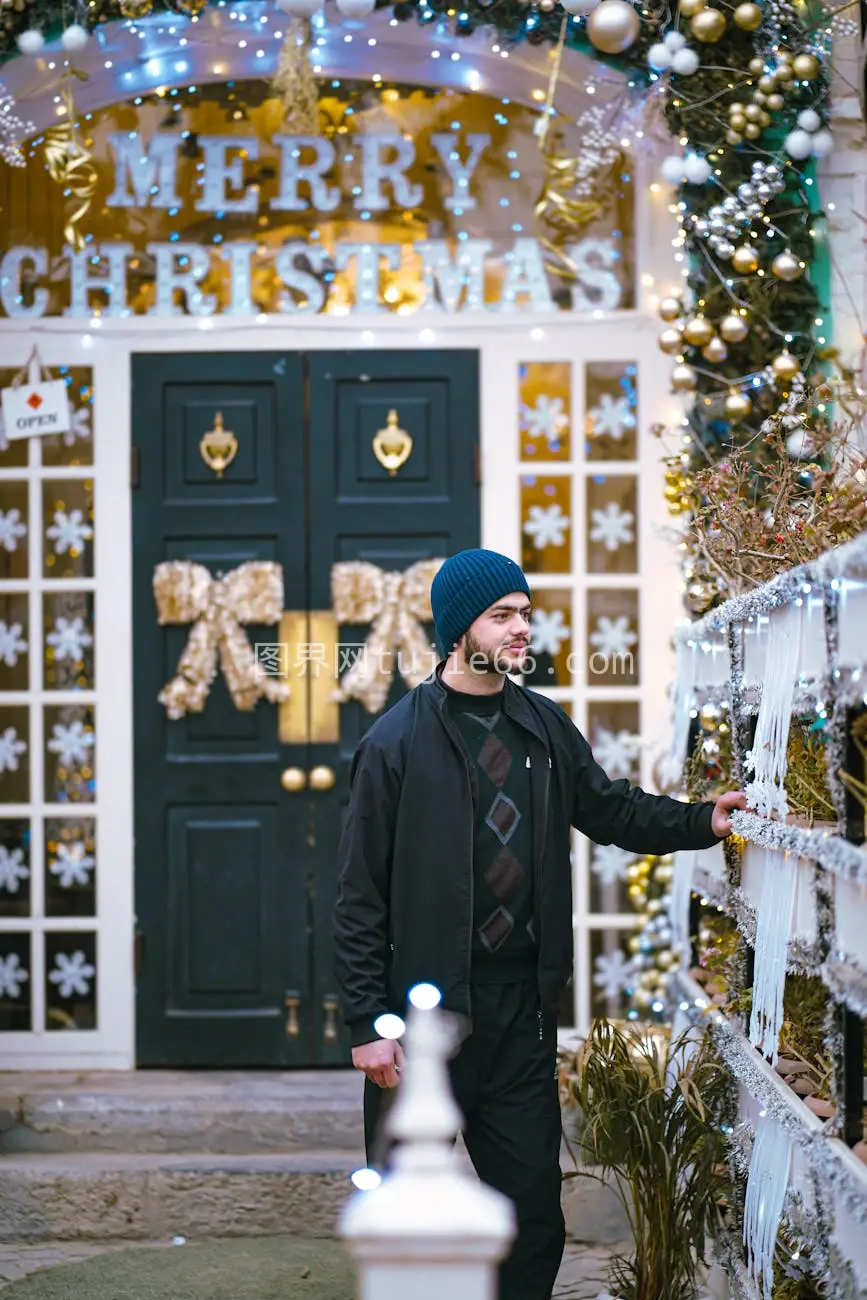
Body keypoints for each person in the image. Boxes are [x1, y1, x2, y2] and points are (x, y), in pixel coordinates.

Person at [333, 547, 744, 1300]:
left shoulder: (540, 726)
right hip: (421, 1025)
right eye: (503, 615)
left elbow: (609, 808)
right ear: (460, 628)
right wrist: (366, 1019)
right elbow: (359, 894)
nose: (522, 627)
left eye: (525, 612)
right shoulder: (394, 743)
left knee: (533, 1220)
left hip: (518, 1013)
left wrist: (699, 821)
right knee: (403, 1219)